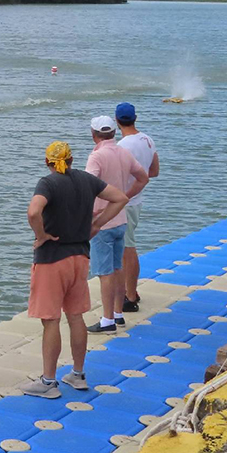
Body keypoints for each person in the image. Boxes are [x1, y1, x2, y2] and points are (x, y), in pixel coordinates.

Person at [20, 141, 129, 398]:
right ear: (71, 160)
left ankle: (48, 382)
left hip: (52, 260)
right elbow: (120, 198)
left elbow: (33, 211)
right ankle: (78, 375)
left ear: (48, 162)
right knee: (76, 316)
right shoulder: (86, 180)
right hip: (80, 257)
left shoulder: (48, 183)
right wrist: (97, 224)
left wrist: (42, 235)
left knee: (51, 320)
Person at [85, 116, 148, 333]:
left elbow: (87, 188)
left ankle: (107, 320)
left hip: (102, 222)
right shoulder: (123, 152)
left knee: (104, 273)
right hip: (121, 219)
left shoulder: (96, 157)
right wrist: (124, 196)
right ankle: (118, 314)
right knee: (118, 268)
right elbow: (143, 177)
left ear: (94, 134)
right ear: (113, 132)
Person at [115, 102, 160, 312]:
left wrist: (123, 192)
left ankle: (130, 296)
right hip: (137, 200)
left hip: (125, 201)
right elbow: (154, 171)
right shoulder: (148, 140)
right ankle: (129, 289)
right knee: (127, 246)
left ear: (116, 122)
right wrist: (138, 182)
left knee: (128, 249)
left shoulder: (123, 146)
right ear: (135, 118)